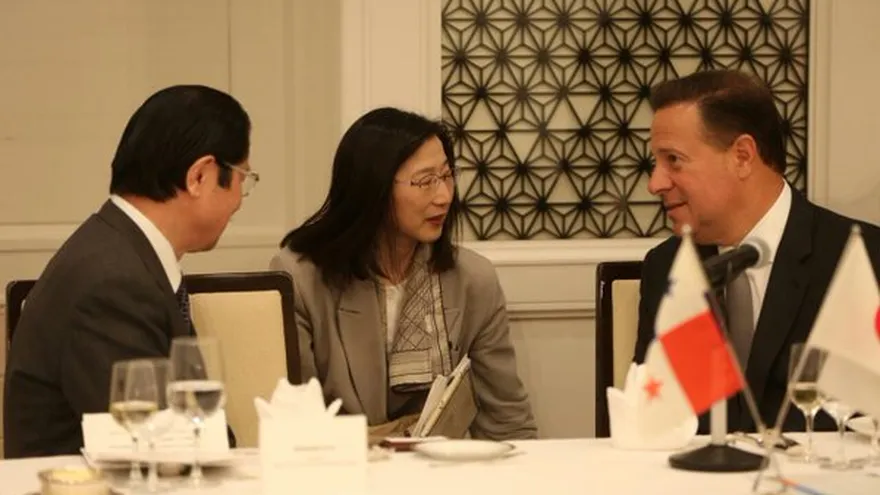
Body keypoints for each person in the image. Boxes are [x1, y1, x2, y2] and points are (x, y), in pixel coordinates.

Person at [3, 85, 257, 458]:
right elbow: (161, 451)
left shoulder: (120, 251)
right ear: (200, 176)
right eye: (242, 178)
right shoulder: (113, 283)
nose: (239, 200)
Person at [632, 69, 880, 434]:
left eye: (674, 160)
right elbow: (653, 415)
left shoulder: (864, 261)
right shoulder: (667, 266)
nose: (655, 183)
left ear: (743, 156)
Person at [270, 107, 537, 440]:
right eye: (425, 181)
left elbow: (507, 422)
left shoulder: (472, 279)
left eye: (447, 175)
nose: (444, 196)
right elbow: (294, 423)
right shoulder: (301, 278)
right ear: (374, 188)